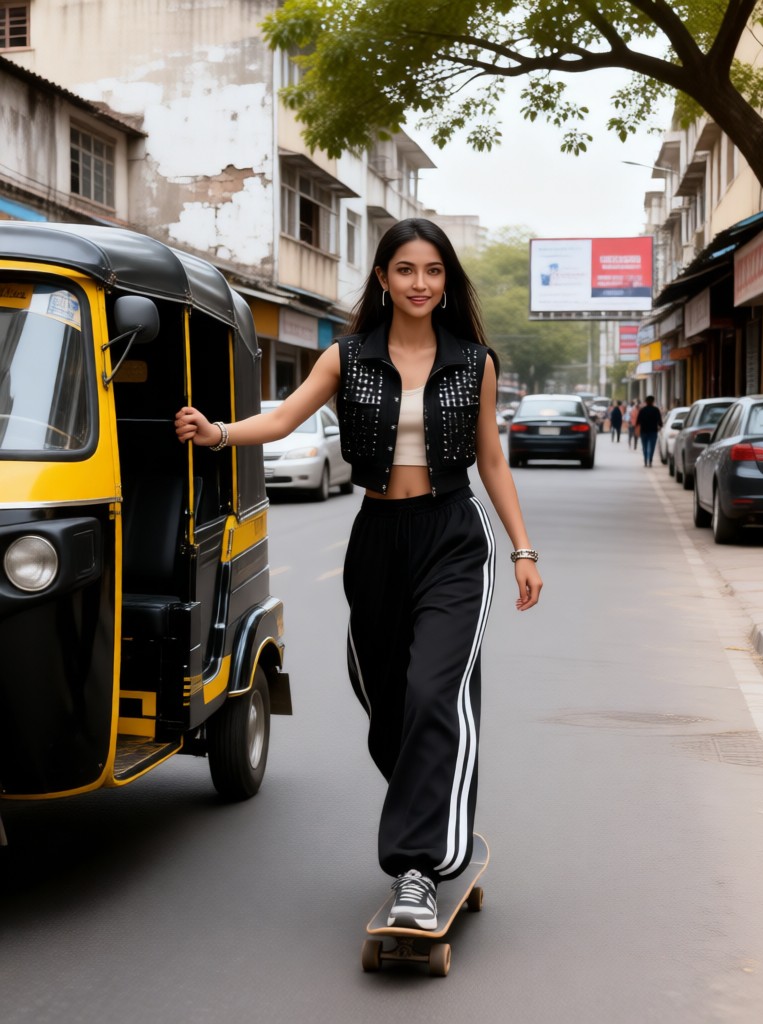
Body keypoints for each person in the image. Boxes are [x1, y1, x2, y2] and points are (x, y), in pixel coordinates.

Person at [175, 218, 542, 931]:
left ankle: (417, 867)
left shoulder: (474, 362)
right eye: (405, 270)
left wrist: (522, 549)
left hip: (452, 538)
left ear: (447, 282)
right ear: (382, 278)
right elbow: (282, 420)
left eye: (433, 271)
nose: (420, 284)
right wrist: (218, 432)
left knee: (435, 693)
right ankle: (431, 809)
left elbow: (491, 460)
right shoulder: (348, 357)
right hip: (377, 539)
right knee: (386, 705)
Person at [636, 394, 664, 466]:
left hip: (644, 431)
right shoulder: (656, 410)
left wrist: (636, 428)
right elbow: (660, 422)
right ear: (653, 402)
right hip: (653, 431)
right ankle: (650, 461)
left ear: (646, 401)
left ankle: (645, 461)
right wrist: (660, 426)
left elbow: (638, 421)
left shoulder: (642, 410)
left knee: (644, 447)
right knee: (652, 447)